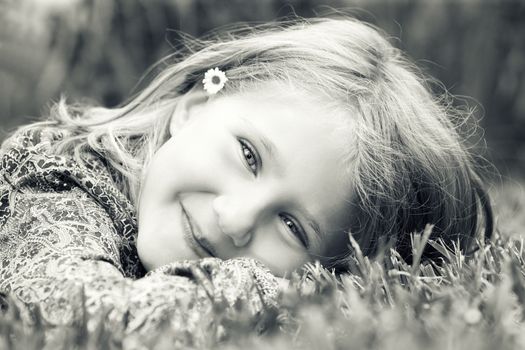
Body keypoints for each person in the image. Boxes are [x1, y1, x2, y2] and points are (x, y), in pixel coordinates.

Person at [0, 16, 493, 345]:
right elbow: (83, 318)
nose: (233, 219)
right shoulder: (54, 177)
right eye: (249, 155)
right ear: (192, 109)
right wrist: (257, 283)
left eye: (292, 227)